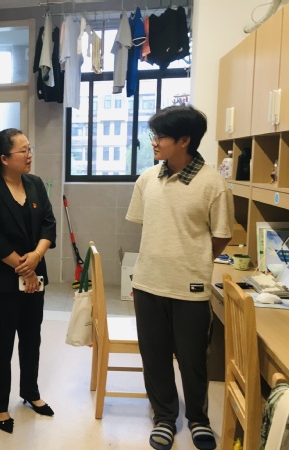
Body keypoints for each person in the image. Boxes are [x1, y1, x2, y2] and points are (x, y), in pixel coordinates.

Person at [126, 105, 234, 450]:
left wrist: (193, 259)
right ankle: (164, 417)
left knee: (193, 359)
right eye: (154, 135)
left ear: (184, 140)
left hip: (191, 287)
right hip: (148, 283)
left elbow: (221, 236)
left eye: (160, 136)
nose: (154, 142)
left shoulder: (213, 184)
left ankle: (198, 419)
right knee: (154, 356)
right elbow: (150, 226)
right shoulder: (147, 179)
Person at [0, 128, 57, 434]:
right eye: (24, 151)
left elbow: (48, 224)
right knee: (0, 345)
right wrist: (26, 268)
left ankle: (30, 392)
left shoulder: (34, 184)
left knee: (32, 338)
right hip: (1, 283)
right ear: (5, 159)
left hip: (34, 278)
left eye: (29, 149)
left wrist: (36, 257)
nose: (30, 155)